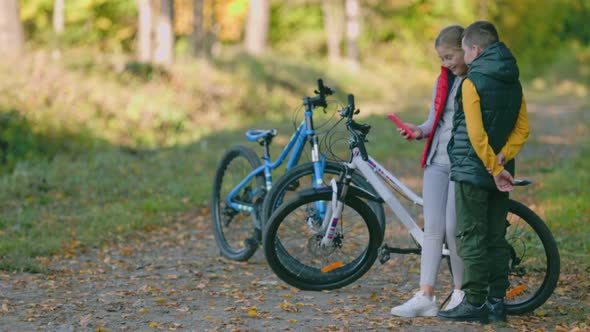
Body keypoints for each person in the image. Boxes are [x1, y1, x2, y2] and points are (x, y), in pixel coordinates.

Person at [437, 21, 530, 324]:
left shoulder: (471, 82)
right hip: (500, 171)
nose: (463, 55)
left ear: (474, 49)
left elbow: (476, 136)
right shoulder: (513, 80)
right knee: (495, 238)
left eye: (463, 50)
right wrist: (502, 160)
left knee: (472, 236)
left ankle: (474, 302)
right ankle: (496, 304)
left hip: (474, 170)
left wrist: (492, 166)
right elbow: (522, 129)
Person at [390, 25, 467, 318]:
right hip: (436, 160)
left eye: (450, 57)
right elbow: (435, 119)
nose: (446, 63)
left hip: (462, 164)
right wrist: (419, 131)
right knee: (433, 228)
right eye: (442, 59)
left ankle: (461, 292)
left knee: (452, 228)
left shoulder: (476, 82)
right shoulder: (444, 80)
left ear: (467, 49)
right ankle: (426, 295)